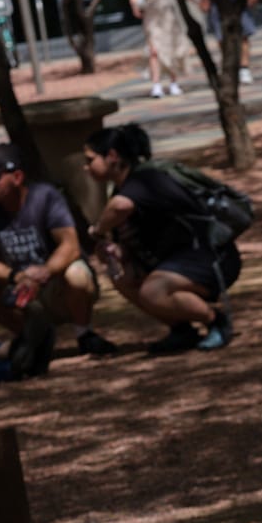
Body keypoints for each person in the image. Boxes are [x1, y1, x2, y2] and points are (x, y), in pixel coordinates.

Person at [83, 123, 238, 354]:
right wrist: (115, 252)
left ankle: (216, 321)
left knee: (152, 291)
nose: (86, 167)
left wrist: (97, 230)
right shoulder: (122, 189)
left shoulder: (146, 179)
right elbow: (128, 243)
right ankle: (181, 329)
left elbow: (120, 207)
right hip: (173, 263)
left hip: (211, 259)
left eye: (90, 160)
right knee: (122, 278)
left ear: (112, 156)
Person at [0, 141, 118, 359]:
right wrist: (17, 276)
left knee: (77, 273)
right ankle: (35, 339)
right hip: (17, 288)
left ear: (17, 177)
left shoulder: (46, 196)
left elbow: (70, 246)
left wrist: (44, 272)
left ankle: (84, 334)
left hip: (55, 285)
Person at [130, 0, 192, 99]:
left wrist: (196, 1)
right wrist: (135, 7)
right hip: (152, 17)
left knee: (171, 48)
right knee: (154, 51)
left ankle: (173, 83)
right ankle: (156, 85)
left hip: (169, 16)